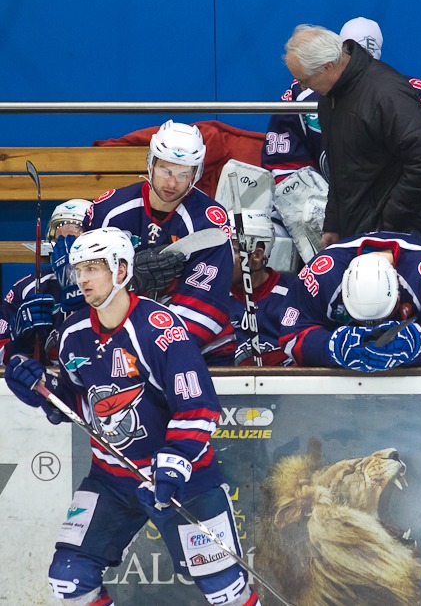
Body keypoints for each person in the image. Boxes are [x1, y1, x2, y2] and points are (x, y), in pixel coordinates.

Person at [3, 227, 259, 606]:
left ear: (121, 270)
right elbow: (80, 405)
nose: (82, 279)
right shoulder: (73, 332)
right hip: (112, 481)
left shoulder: (160, 328)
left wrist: (174, 462)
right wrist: (40, 389)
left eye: (93, 268)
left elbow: (198, 407)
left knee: (226, 591)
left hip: (182, 480)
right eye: (79, 269)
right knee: (69, 579)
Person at [84, 120, 235, 365]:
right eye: (165, 170)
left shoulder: (209, 221)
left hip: (197, 350)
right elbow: (86, 285)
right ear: (151, 163)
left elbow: (206, 305)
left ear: (196, 174)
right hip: (120, 344)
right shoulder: (108, 211)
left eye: (183, 174)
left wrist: (146, 348)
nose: (172, 183)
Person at [282, 24, 421, 247]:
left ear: (328, 67)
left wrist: (390, 222)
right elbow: (339, 168)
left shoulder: (387, 92)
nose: (303, 88)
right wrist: (333, 224)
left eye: (305, 80)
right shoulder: (331, 96)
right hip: (359, 226)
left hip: (396, 230)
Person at [262, 17, 421, 184]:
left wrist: (396, 201)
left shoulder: (407, 90)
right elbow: (283, 163)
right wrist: (315, 197)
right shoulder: (302, 91)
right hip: (331, 196)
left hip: (386, 195)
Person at [280, 232, 421, 371]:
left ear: (398, 292)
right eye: (361, 320)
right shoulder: (322, 276)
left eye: (382, 318)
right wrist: (332, 346)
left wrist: (418, 344)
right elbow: (290, 336)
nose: (372, 328)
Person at [0, 198, 91, 363]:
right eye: (60, 242)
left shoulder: (113, 286)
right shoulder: (27, 288)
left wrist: (76, 287)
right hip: (41, 374)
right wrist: (18, 343)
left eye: (74, 242)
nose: (66, 250)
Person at [228, 207, 302, 366]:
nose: (222, 258)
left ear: (257, 255)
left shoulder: (295, 293)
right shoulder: (212, 295)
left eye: (232, 250)